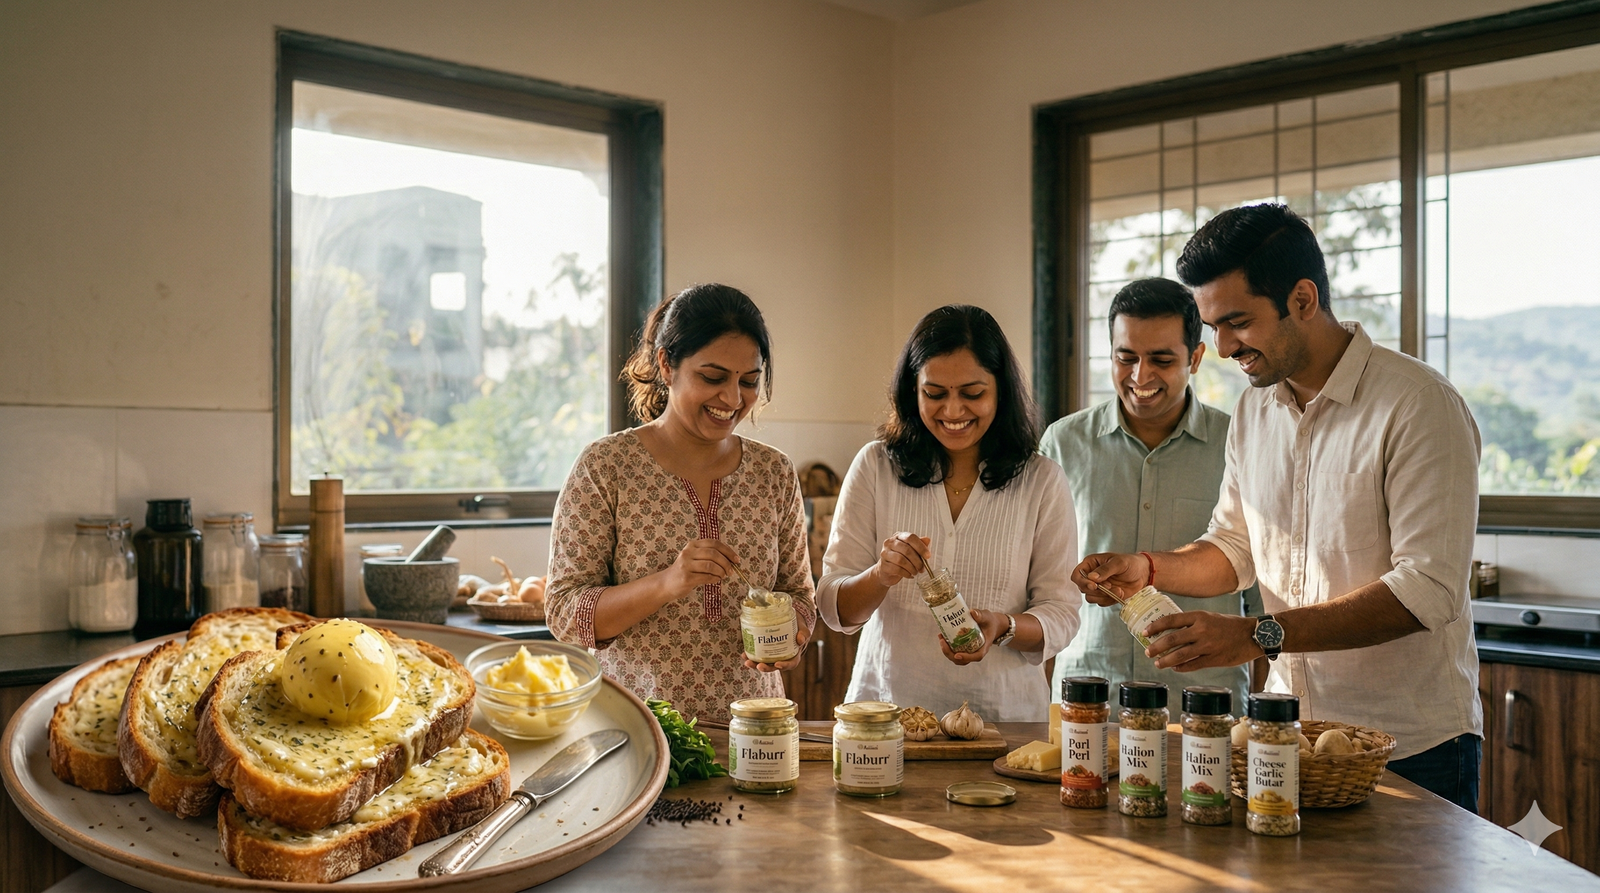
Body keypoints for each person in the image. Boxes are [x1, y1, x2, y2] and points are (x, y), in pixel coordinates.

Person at [1071, 204, 1484, 810]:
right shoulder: (1256, 410)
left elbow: (1429, 588)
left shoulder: (1419, 405)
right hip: (1282, 736)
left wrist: (1256, 635)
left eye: (1237, 321)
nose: (1223, 345)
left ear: (1303, 298)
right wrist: (1149, 569)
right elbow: (1235, 548)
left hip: (1413, 745)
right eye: (1213, 326)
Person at [545, 283, 814, 723]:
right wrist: (667, 582)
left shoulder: (774, 472)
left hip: (757, 729)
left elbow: (799, 594)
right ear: (667, 365)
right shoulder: (607, 466)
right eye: (712, 378)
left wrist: (793, 637)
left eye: (749, 381)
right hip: (640, 731)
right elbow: (564, 614)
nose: (732, 399)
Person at [817, 304, 1081, 721]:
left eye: (973, 394)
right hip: (886, 715)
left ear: (1001, 391)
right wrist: (880, 575)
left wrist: (1002, 627)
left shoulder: (1041, 481)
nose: (953, 412)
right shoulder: (875, 467)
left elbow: (1061, 613)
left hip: (1003, 723)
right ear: (912, 390)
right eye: (935, 394)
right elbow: (834, 606)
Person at [1040, 277, 1260, 710]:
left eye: (1162, 359)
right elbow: (1041, 586)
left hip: (1204, 703)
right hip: (1087, 696)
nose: (1141, 376)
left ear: (1195, 357)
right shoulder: (1062, 443)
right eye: (1126, 358)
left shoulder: (1239, 442)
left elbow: (1261, 599)